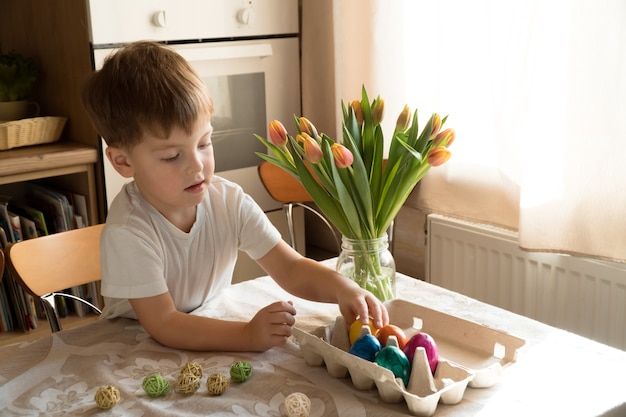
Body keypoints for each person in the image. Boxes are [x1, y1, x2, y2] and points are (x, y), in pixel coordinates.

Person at [81, 40, 389, 352]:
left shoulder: (228, 201)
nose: (197, 165)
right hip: (136, 348)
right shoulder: (129, 231)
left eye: (204, 143)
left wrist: (343, 289)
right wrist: (247, 335)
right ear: (123, 161)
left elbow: (291, 268)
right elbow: (164, 323)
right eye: (173, 156)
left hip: (205, 328)